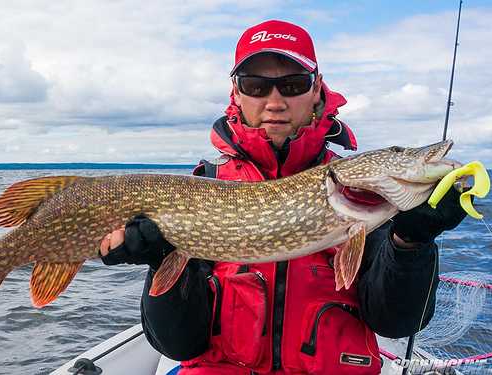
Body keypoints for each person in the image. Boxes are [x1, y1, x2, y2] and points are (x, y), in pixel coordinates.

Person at [99, 20, 468, 374]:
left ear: (317, 88)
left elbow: (397, 322)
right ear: (236, 93)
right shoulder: (207, 184)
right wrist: (161, 258)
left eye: (292, 85)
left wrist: (410, 244)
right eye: (256, 85)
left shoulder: (370, 203)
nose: (274, 101)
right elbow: (178, 346)